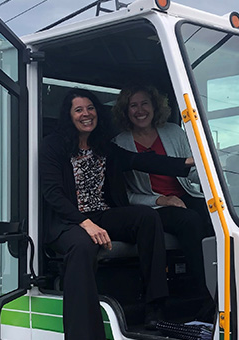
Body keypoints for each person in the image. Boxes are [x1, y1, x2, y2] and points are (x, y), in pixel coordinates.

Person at [40, 88, 193, 340]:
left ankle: (155, 308)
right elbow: (53, 193)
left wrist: (188, 162)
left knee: (147, 217)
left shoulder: (104, 145)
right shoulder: (53, 146)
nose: (86, 114)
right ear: (69, 116)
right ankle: (84, 334)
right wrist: (84, 223)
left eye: (90, 109)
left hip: (101, 215)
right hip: (67, 222)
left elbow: (142, 161)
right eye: (78, 110)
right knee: (83, 245)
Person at [112, 84, 214, 302]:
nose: (140, 110)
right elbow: (126, 196)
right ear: (125, 111)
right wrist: (161, 199)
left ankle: (228, 283)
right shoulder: (119, 144)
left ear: (155, 106)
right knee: (190, 220)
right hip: (152, 206)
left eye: (144, 103)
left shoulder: (174, 132)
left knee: (214, 214)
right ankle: (204, 293)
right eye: (133, 106)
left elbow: (192, 172)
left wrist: (215, 185)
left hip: (185, 194)